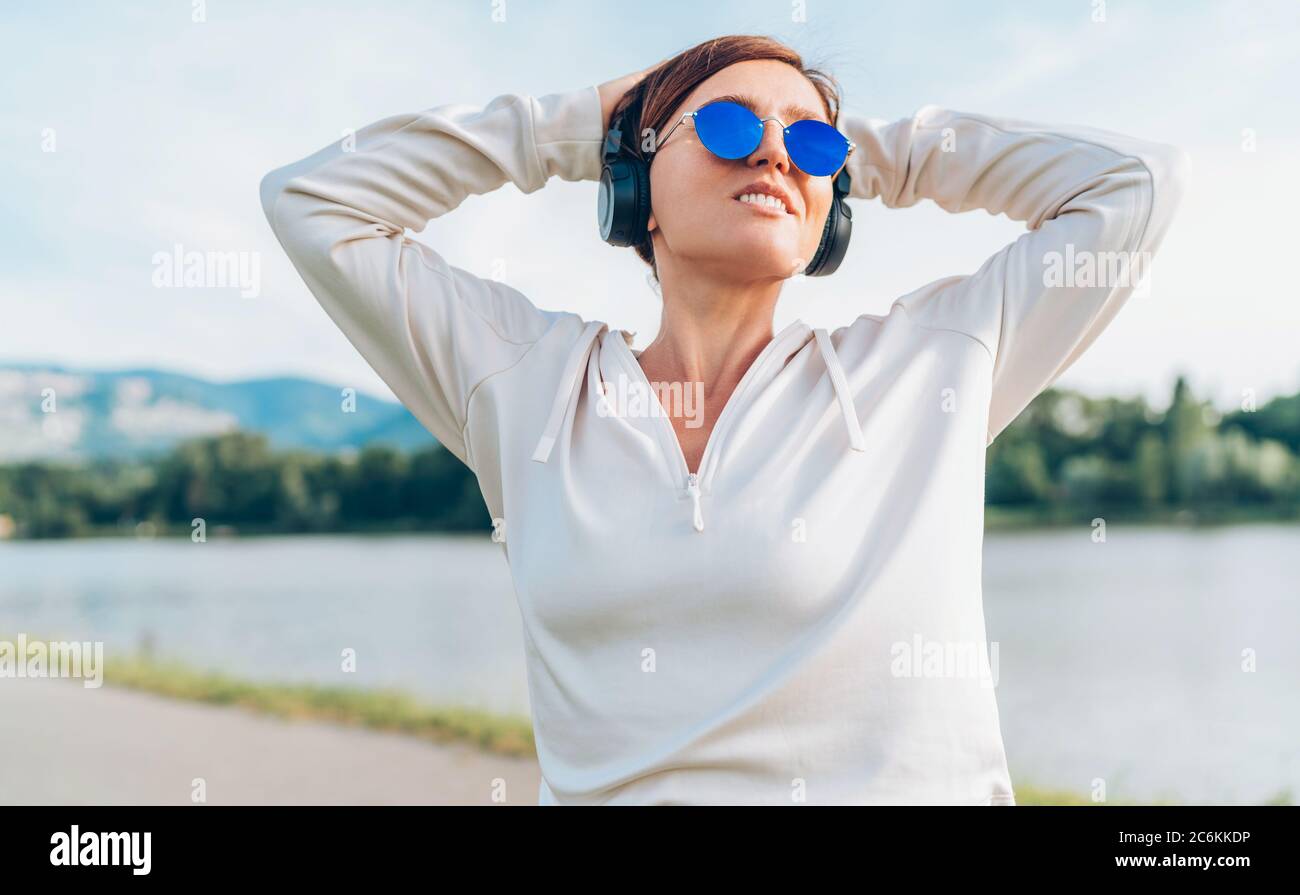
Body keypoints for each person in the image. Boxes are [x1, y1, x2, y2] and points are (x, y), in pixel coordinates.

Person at [259, 34, 1189, 805]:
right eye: (730, 123)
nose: (776, 154)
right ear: (631, 187)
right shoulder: (527, 384)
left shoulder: (930, 365)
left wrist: (879, 151)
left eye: (813, 148)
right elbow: (313, 204)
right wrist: (572, 128)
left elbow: (1138, 183)